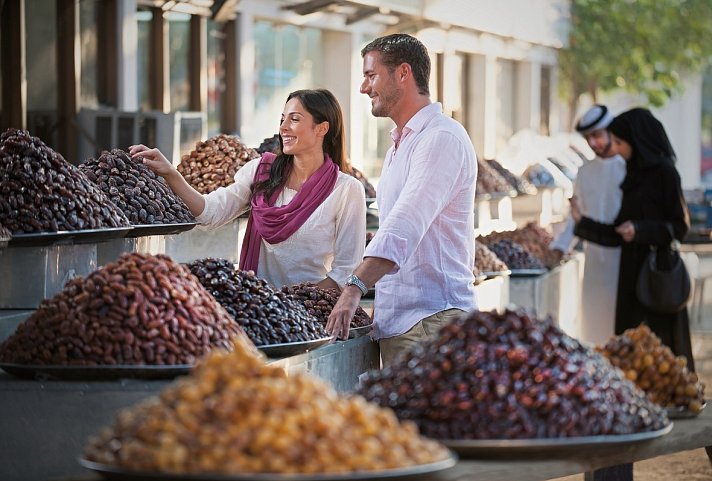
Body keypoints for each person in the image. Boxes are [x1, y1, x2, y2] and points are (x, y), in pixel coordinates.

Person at [326, 33, 478, 366]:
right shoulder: (402, 144)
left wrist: (353, 287)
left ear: (403, 74)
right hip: (405, 325)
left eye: (370, 75)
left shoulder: (441, 138)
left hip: (432, 324)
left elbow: (404, 224)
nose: (363, 88)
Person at [129, 89, 366, 290]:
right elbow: (210, 213)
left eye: (294, 119)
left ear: (321, 128)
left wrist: (294, 303)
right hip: (258, 308)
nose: (283, 127)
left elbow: (344, 272)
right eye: (282, 119)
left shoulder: (346, 190)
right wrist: (171, 173)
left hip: (308, 315)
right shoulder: (260, 172)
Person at [571, 107, 694, 369]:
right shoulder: (631, 173)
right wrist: (582, 223)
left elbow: (679, 227)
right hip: (631, 277)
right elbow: (618, 232)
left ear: (636, 140)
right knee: (632, 355)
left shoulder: (665, 173)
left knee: (662, 356)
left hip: (657, 275)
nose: (615, 148)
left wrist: (640, 230)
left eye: (619, 142)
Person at [550, 105, 626, 346]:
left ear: (611, 131)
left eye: (597, 135)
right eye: (588, 138)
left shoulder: (629, 169)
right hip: (594, 265)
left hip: (625, 263)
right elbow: (576, 217)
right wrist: (560, 246)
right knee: (594, 334)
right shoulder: (584, 172)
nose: (593, 143)